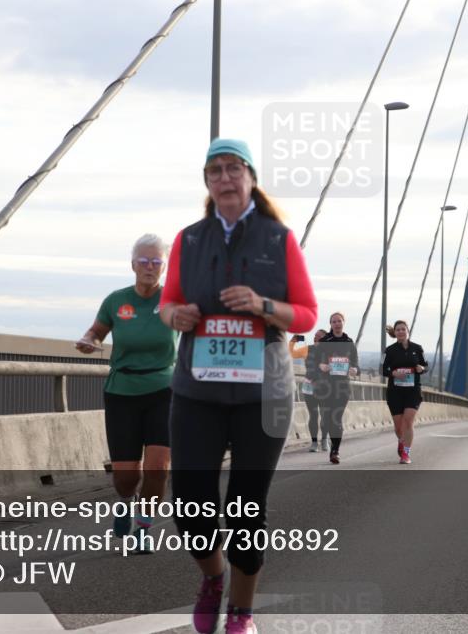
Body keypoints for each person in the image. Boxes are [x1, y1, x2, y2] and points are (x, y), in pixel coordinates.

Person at [159, 138, 318, 634]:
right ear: (207, 182)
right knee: (190, 508)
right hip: (197, 393)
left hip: (262, 396)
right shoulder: (188, 240)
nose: (225, 178)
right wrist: (176, 316)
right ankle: (213, 578)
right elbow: (166, 304)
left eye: (233, 168)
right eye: (215, 171)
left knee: (246, 512)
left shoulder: (279, 239)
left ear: (250, 177)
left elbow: (307, 315)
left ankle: (242, 612)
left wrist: (262, 305)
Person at [76, 233, 175, 553]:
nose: (150, 267)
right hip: (122, 392)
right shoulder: (116, 301)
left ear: (164, 266)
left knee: (158, 468)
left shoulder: (174, 300)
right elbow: (96, 332)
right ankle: (125, 500)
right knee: (126, 477)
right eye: (144, 261)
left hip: (164, 390)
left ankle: (143, 528)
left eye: (156, 262)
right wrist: (89, 341)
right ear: (133, 265)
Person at [382, 320, 427, 464]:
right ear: (395, 333)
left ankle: (406, 453)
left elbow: (425, 365)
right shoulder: (389, 350)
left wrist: (421, 368)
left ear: (408, 331)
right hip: (395, 392)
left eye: (403, 329)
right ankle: (401, 440)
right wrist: (393, 373)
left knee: (408, 422)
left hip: (413, 391)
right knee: (398, 426)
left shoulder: (417, 348)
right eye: (398, 330)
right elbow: (383, 369)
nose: (401, 332)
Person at [318, 312, 359, 464]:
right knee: (327, 419)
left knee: (336, 418)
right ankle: (332, 443)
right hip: (326, 386)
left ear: (343, 322)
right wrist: (321, 366)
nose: (337, 324)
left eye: (339, 321)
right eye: (334, 321)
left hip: (342, 387)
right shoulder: (324, 341)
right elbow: (314, 361)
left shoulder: (349, 342)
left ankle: (335, 451)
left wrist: (354, 369)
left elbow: (355, 363)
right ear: (330, 324)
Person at [290, 330, 328, 451]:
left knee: (325, 415)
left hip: (324, 387)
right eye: (315, 335)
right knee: (313, 415)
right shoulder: (307, 349)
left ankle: (324, 440)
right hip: (309, 386)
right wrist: (293, 341)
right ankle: (314, 442)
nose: (316, 337)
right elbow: (292, 353)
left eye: (319, 336)